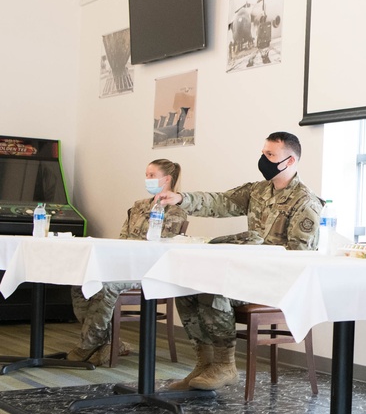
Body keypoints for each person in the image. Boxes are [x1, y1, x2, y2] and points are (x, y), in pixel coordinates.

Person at [154, 131, 322, 391]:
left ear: (289, 161)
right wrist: (181, 198)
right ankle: (205, 363)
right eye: (263, 153)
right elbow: (220, 202)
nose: (263, 159)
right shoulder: (258, 191)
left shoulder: (305, 201)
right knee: (187, 286)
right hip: (247, 273)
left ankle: (224, 365)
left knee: (215, 288)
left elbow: (299, 257)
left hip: (276, 280)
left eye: (270, 155)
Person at [66, 159, 187, 365]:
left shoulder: (176, 211)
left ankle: (87, 345)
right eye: (146, 175)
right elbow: (122, 239)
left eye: (151, 175)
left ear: (166, 179)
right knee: (81, 281)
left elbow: (161, 248)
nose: (147, 179)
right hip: (124, 266)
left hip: (149, 272)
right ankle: (107, 343)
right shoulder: (139, 206)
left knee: (107, 287)